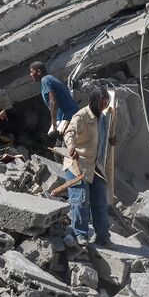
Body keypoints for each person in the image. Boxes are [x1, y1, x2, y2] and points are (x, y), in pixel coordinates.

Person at [53, 88, 114, 246]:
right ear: (94, 101)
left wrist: (111, 140)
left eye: (106, 103)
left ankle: (103, 236)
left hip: (95, 166)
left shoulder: (102, 117)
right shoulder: (81, 116)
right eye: (101, 103)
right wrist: (71, 147)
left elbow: (101, 137)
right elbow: (69, 133)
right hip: (77, 164)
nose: (103, 106)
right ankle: (80, 234)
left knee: (100, 201)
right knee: (80, 200)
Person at [29, 61, 78, 135]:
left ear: (38, 71)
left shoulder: (45, 80)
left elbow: (53, 101)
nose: (30, 75)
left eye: (32, 71)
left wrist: (53, 122)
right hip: (71, 115)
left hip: (67, 118)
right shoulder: (50, 78)